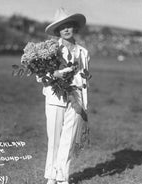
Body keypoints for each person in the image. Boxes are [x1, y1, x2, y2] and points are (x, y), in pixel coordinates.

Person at [40, 8, 90, 184]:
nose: (67, 30)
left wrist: (84, 103)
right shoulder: (50, 49)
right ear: (58, 31)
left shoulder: (83, 52)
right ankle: (51, 177)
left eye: (69, 26)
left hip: (76, 99)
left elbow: (84, 79)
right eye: (63, 27)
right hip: (56, 97)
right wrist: (56, 74)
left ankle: (62, 177)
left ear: (74, 28)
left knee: (68, 140)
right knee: (54, 139)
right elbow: (40, 75)